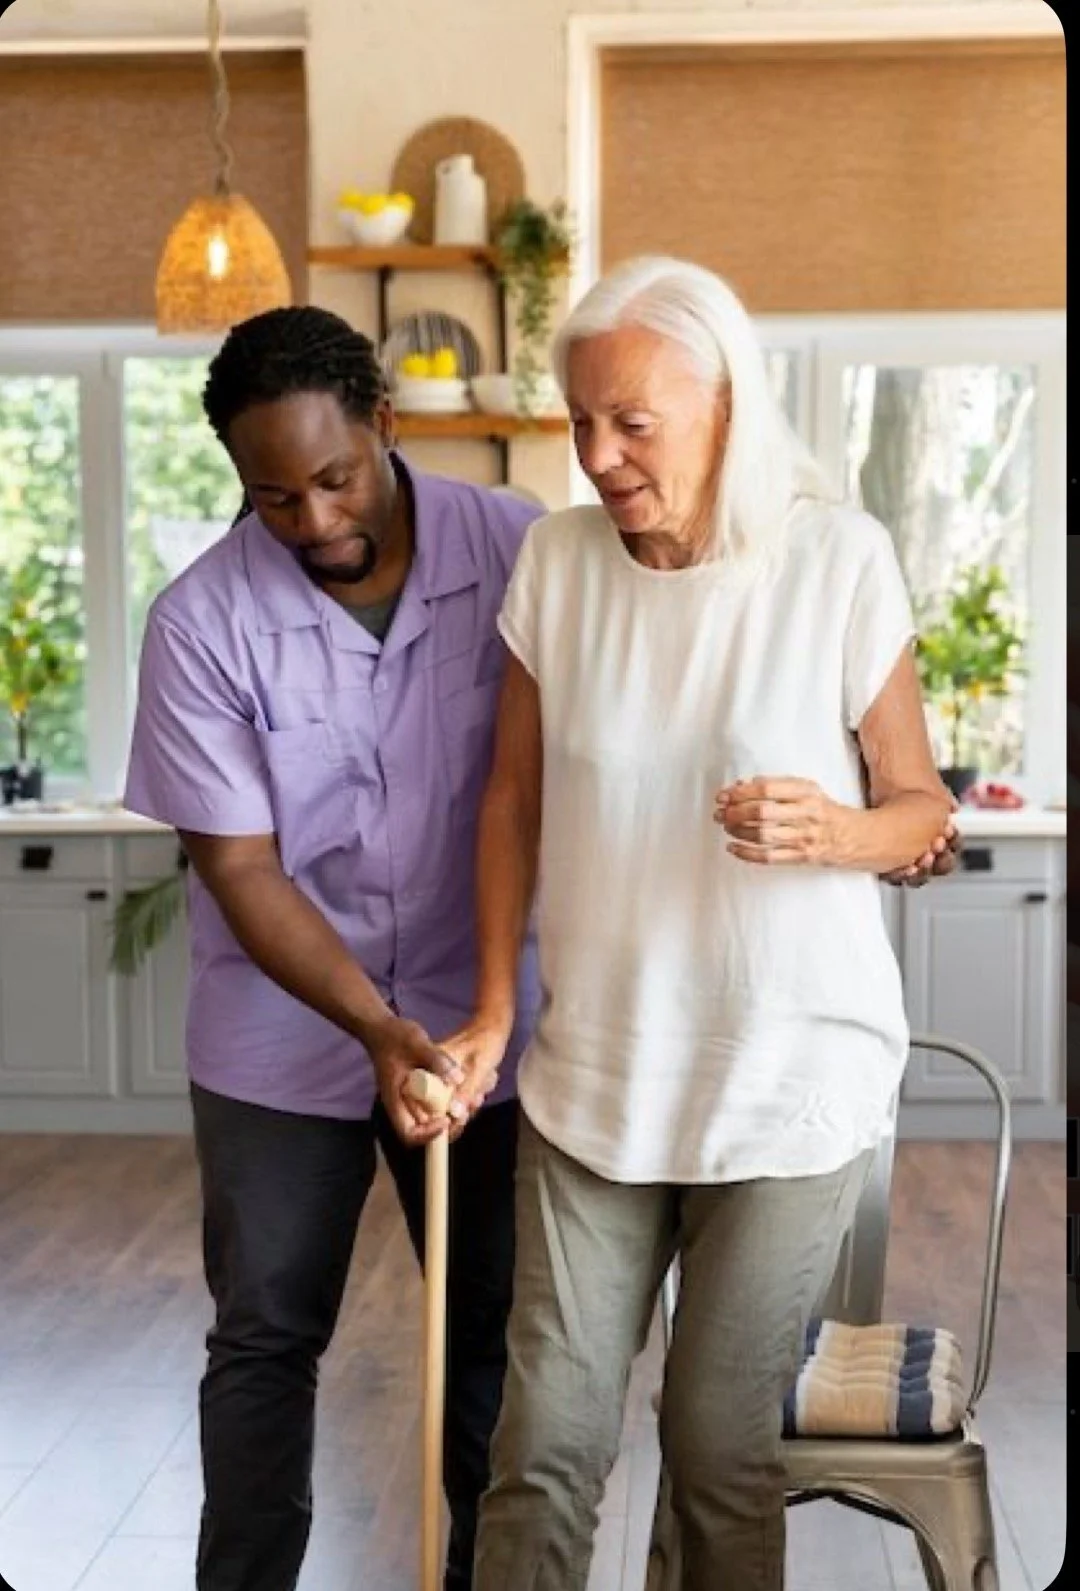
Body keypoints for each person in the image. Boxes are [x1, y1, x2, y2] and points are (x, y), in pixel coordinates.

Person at [439, 256, 955, 1591]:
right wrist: (497, 1004)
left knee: (717, 1444)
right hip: (597, 1077)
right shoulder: (558, 564)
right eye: (582, 421)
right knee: (541, 1441)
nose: (600, 454)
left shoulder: (837, 557)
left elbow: (917, 809)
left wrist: (831, 830)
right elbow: (510, 801)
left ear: (724, 402)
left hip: (786, 1080)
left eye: (634, 422)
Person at [122, 305, 544, 1591]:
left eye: (334, 478)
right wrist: (372, 1026)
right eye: (272, 494)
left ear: (387, 427)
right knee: (265, 1336)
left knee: (493, 1341)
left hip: (489, 1028)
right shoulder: (199, 621)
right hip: (281, 1034)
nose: (310, 520)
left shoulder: (526, 551)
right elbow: (241, 866)